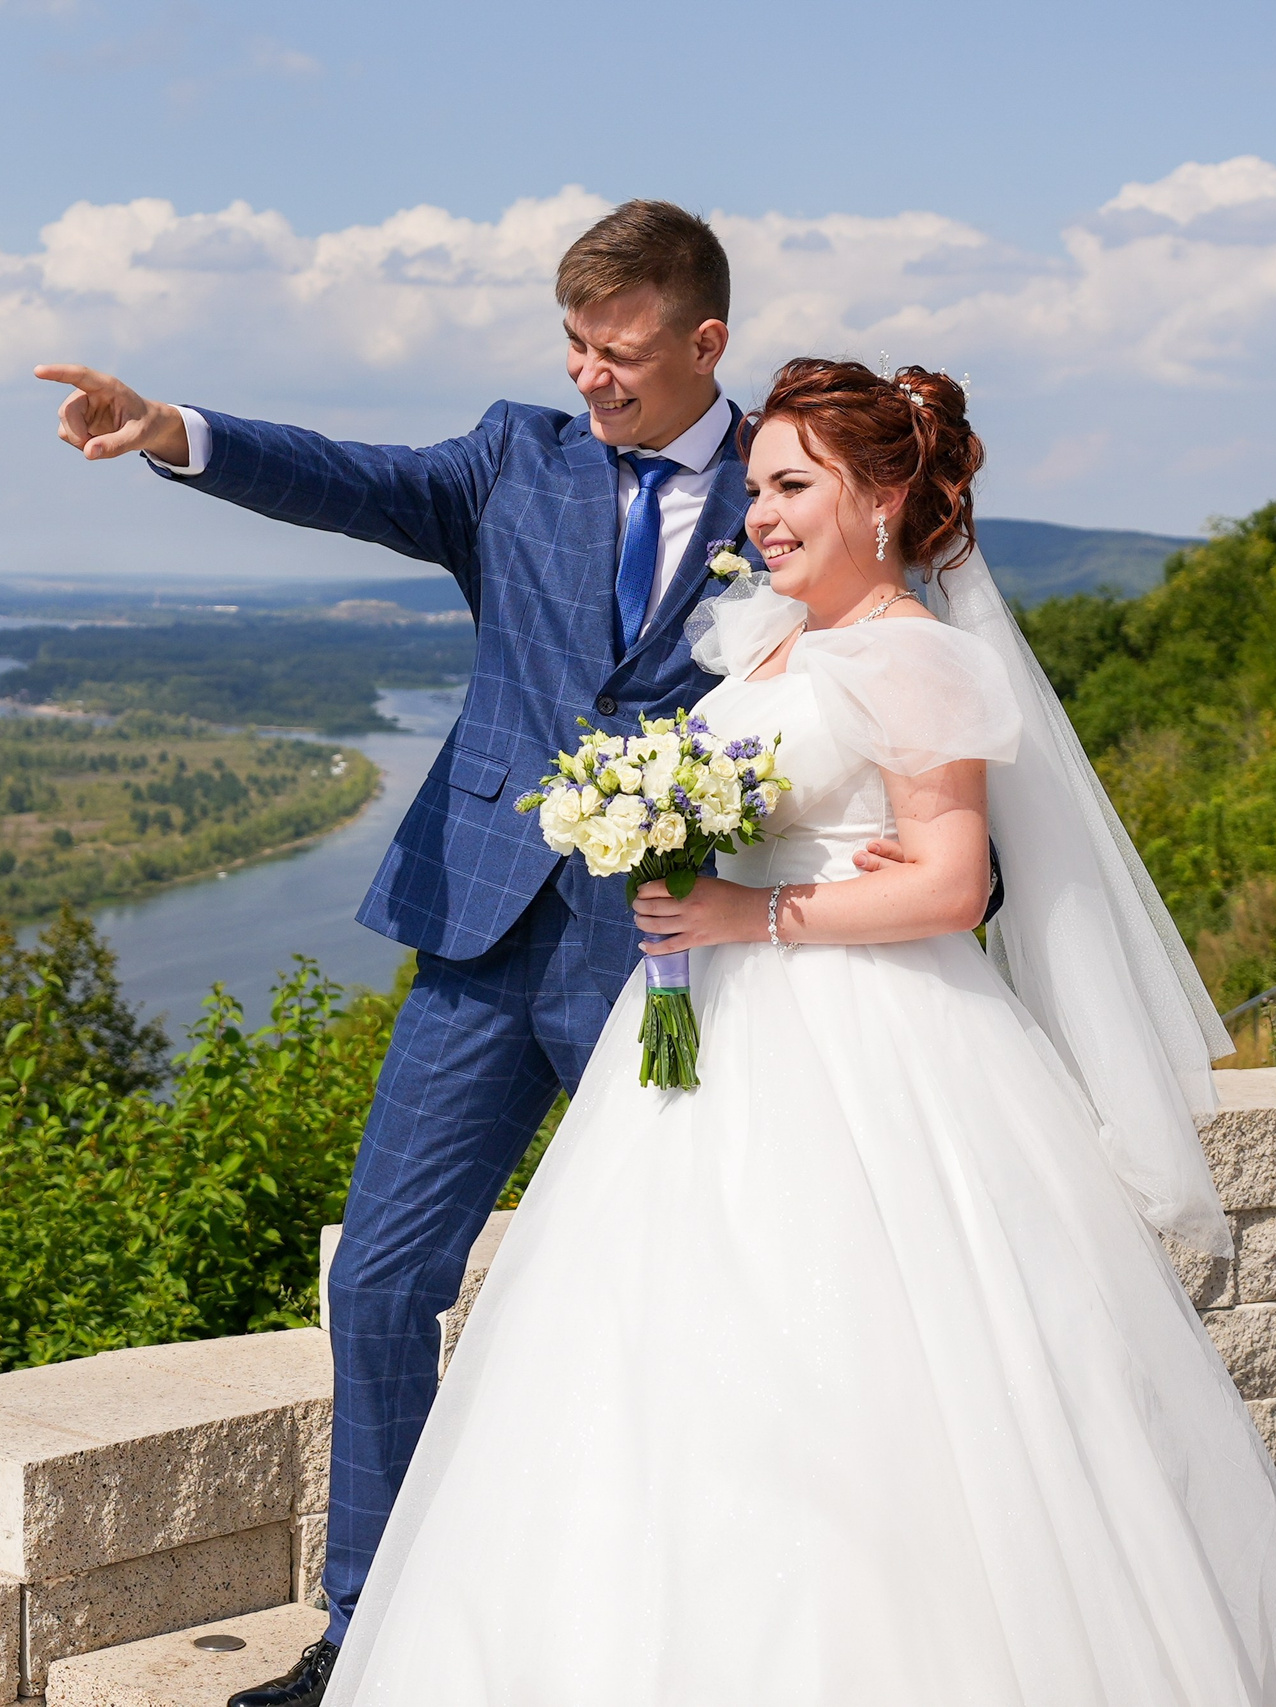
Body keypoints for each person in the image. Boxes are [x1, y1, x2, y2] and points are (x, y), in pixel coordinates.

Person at [320, 360, 1276, 1703]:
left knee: (854, 1375)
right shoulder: (766, 640)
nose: (761, 512)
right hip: (710, 1040)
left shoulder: (919, 657)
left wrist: (748, 910)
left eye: (794, 486)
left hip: (867, 1047)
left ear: (886, 496)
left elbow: (953, 884)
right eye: (759, 484)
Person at [41, 200, 754, 1707]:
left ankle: (678, 1628)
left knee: (693, 1298)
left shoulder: (792, 478)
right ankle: (371, 1636)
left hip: (683, 960)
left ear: (707, 342)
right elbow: (351, 481)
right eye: (572, 344)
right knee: (377, 1284)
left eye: (619, 351)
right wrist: (176, 429)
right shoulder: (517, 458)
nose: (590, 377)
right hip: (482, 933)